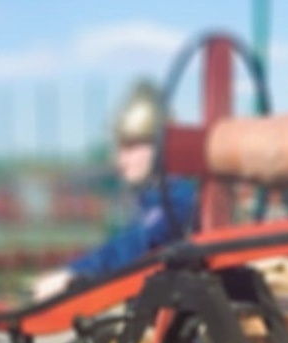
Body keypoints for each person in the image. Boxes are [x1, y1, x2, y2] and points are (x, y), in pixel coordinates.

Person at [32, 79, 199, 300]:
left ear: (159, 144)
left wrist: (73, 273)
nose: (119, 160)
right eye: (119, 148)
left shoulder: (177, 202)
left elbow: (131, 246)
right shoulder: (156, 200)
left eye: (129, 147)